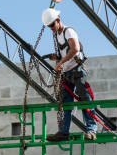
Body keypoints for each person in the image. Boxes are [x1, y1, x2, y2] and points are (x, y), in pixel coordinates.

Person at [42, 8, 98, 141]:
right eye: (49, 26)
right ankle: (63, 132)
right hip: (66, 73)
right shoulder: (56, 35)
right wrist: (56, 57)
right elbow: (65, 51)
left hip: (77, 70)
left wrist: (60, 62)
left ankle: (91, 130)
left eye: (52, 25)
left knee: (85, 99)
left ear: (58, 20)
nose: (51, 28)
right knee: (65, 103)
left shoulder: (68, 31)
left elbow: (75, 49)